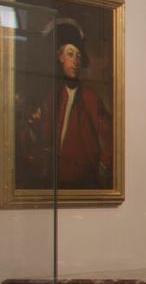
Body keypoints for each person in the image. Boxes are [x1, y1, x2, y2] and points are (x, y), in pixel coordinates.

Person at [15, 20, 113, 190]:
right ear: (60, 57)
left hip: (84, 181)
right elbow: (34, 140)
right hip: (55, 180)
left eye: (78, 56)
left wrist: (103, 166)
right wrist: (31, 124)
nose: (75, 61)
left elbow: (112, 134)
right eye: (70, 54)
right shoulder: (51, 97)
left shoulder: (90, 97)